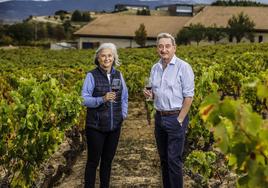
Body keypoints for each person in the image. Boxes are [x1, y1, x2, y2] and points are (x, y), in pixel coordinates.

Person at [144, 33, 194, 188]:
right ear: (157, 49)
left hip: (175, 117)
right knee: (164, 159)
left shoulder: (183, 67)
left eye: (167, 46)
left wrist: (180, 119)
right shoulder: (155, 67)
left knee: (174, 160)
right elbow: (154, 94)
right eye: (160, 46)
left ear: (174, 48)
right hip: (159, 117)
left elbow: (189, 96)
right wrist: (149, 95)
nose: (163, 49)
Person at [82, 43, 128, 188]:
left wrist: (123, 114)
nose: (106, 58)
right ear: (98, 58)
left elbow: (125, 97)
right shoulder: (91, 75)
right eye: (103, 56)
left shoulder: (119, 75)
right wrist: (102, 99)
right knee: (93, 162)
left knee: (107, 162)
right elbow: (84, 99)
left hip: (114, 126)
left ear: (114, 58)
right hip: (95, 127)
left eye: (109, 55)